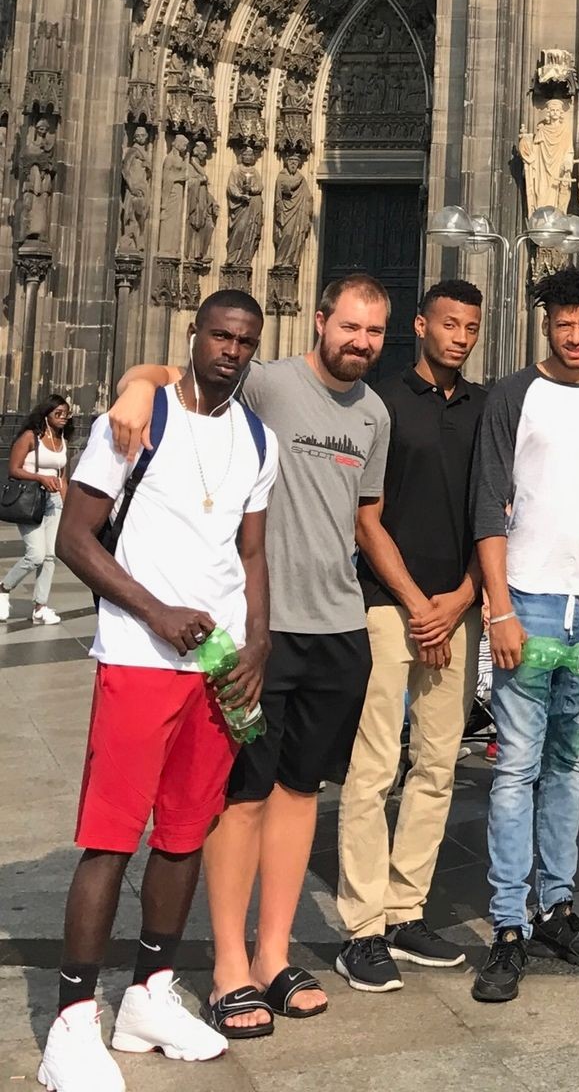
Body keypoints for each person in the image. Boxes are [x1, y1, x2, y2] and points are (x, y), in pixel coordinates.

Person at [108, 274, 393, 1033]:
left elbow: (366, 519)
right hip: (261, 630)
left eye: (374, 332)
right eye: (350, 327)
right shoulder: (265, 381)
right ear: (322, 321)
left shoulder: (375, 414)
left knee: (301, 793)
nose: (361, 342)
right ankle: (229, 963)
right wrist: (137, 385)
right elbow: (185, 371)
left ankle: (274, 953)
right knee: (242, 796)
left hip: (339, 627)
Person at [40, 294, 275, 1090]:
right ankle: (72, 1020)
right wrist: (154, 610)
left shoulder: (257, 437)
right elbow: (76, 538)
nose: (232, 351)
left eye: (245, 341)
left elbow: (253, 552)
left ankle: (148, 992)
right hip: (139, 656)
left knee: (183, 833)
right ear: (194, 337)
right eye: (220, 335)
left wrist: (259, 644)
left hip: (215, 667)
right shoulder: (135, 422)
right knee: (111, 837)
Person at [469, 266, 579, 1003]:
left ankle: (559, 907)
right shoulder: (513, 394)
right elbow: (486, 500)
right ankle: (510, 923)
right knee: (515, 769)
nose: (575, 335)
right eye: (564, 323)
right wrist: (497, 608)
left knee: (569, 763)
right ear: (547, 325)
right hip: (530, 606)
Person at [335, 281, 487, 990]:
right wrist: (418, 603)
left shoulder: (486, 408)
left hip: (456, 606)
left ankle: (405, 907)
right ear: (421, 324)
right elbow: (368, 518)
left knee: (436, 764)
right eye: (448, 324)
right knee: (373, 768)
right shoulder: (381, 403)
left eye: (471, 328)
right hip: (389, 604)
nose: (459, 337)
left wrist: (459, 599)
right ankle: (361, 927)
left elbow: (493, 516)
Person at [4, 393, 72, 625]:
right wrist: (40, 477)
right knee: (36, 555)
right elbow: (13, 469)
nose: (63, 418)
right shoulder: (30, 437)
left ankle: (40, 607)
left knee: (50, 556)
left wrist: (69, 508)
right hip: (30, 499)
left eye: (66, 413)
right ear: (46, 414)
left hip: (54, 502)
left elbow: (63, 478)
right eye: (58, 413)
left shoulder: (63, 442)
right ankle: (4, 588)